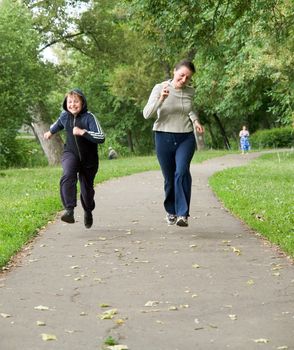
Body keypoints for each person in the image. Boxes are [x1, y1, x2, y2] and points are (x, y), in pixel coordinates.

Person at [143, 59, 204, 227]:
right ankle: (171, 211)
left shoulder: (190, 91)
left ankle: (182, 214)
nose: (184, 80)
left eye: (188, 78)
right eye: (182, 75)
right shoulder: (159, 88)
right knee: (169, 178)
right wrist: (161, 99)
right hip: (163, 136)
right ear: (174, 71)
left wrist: (195, 121)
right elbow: (147, 114)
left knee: (182, 171)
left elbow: (188, 108)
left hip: (185, 137)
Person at [44, 88, 105, 228]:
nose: (72, 104)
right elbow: (57, 125)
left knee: (87, 190)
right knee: (68, 174)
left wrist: (83, 132)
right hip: (70, 153)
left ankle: (88, 211)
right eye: (70, 102)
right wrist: (50, 132)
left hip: (89, 159)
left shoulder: (89, 117)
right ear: (66, 104)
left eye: (76, 101)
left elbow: (101, 137)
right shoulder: (64, 116)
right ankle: (69, 210)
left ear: (82, 102)